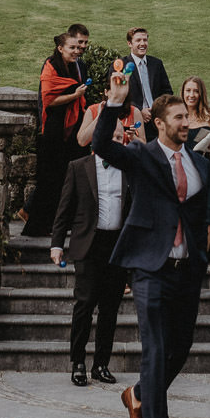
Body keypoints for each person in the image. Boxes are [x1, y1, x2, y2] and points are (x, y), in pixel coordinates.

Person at [90, 73, 210, 418]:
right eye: (178, 117)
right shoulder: (142, 156)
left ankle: (137, 394)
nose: (186, 122)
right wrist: (114, 101)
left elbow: (203, 216)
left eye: (187, 117)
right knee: (157, 349)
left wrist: (202, 253)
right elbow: (99, 145)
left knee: (180, 348)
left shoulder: (200, 164)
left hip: (187, 269)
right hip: (150, 268)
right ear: (160, 124)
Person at [51, 118, 132, 389]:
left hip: (117, 247)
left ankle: (101, 364)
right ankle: (78, 363)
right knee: (84, 305)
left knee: (110, 309)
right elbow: (64, 210)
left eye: (120, 138)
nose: (117, 142)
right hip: (88, 245)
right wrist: (56, 244)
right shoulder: (78, 167)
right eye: (112, 137)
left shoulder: (128, 169)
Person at [25, 33, 89, 236]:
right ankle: (39, 226)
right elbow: (49, 100)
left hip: (70, 131)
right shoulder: (51, 65)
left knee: (67, 178)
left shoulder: (74, 66)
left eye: (78, 48)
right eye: (72, 48)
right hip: (53, 131)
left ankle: (61, 224)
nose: (76, 51)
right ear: (61, 48)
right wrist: (75, 95)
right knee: (49, 179)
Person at [122, 27, 172, 141]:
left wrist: (156, 108)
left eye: (145, 40)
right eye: (138, 40)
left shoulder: (156, 63)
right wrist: (139, 110)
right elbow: (118, 95)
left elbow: (167, 91)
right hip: (133, 121)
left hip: (156, 119)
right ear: (129, 43)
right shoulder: (121, 65)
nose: (142, 44)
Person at [179, 76, 210, 157]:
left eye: (196, 91)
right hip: (182, 166)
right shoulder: (176, 116)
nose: (191, 95)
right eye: (188, 90)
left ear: (201, 94)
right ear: (183, 93)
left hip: (205, 166)